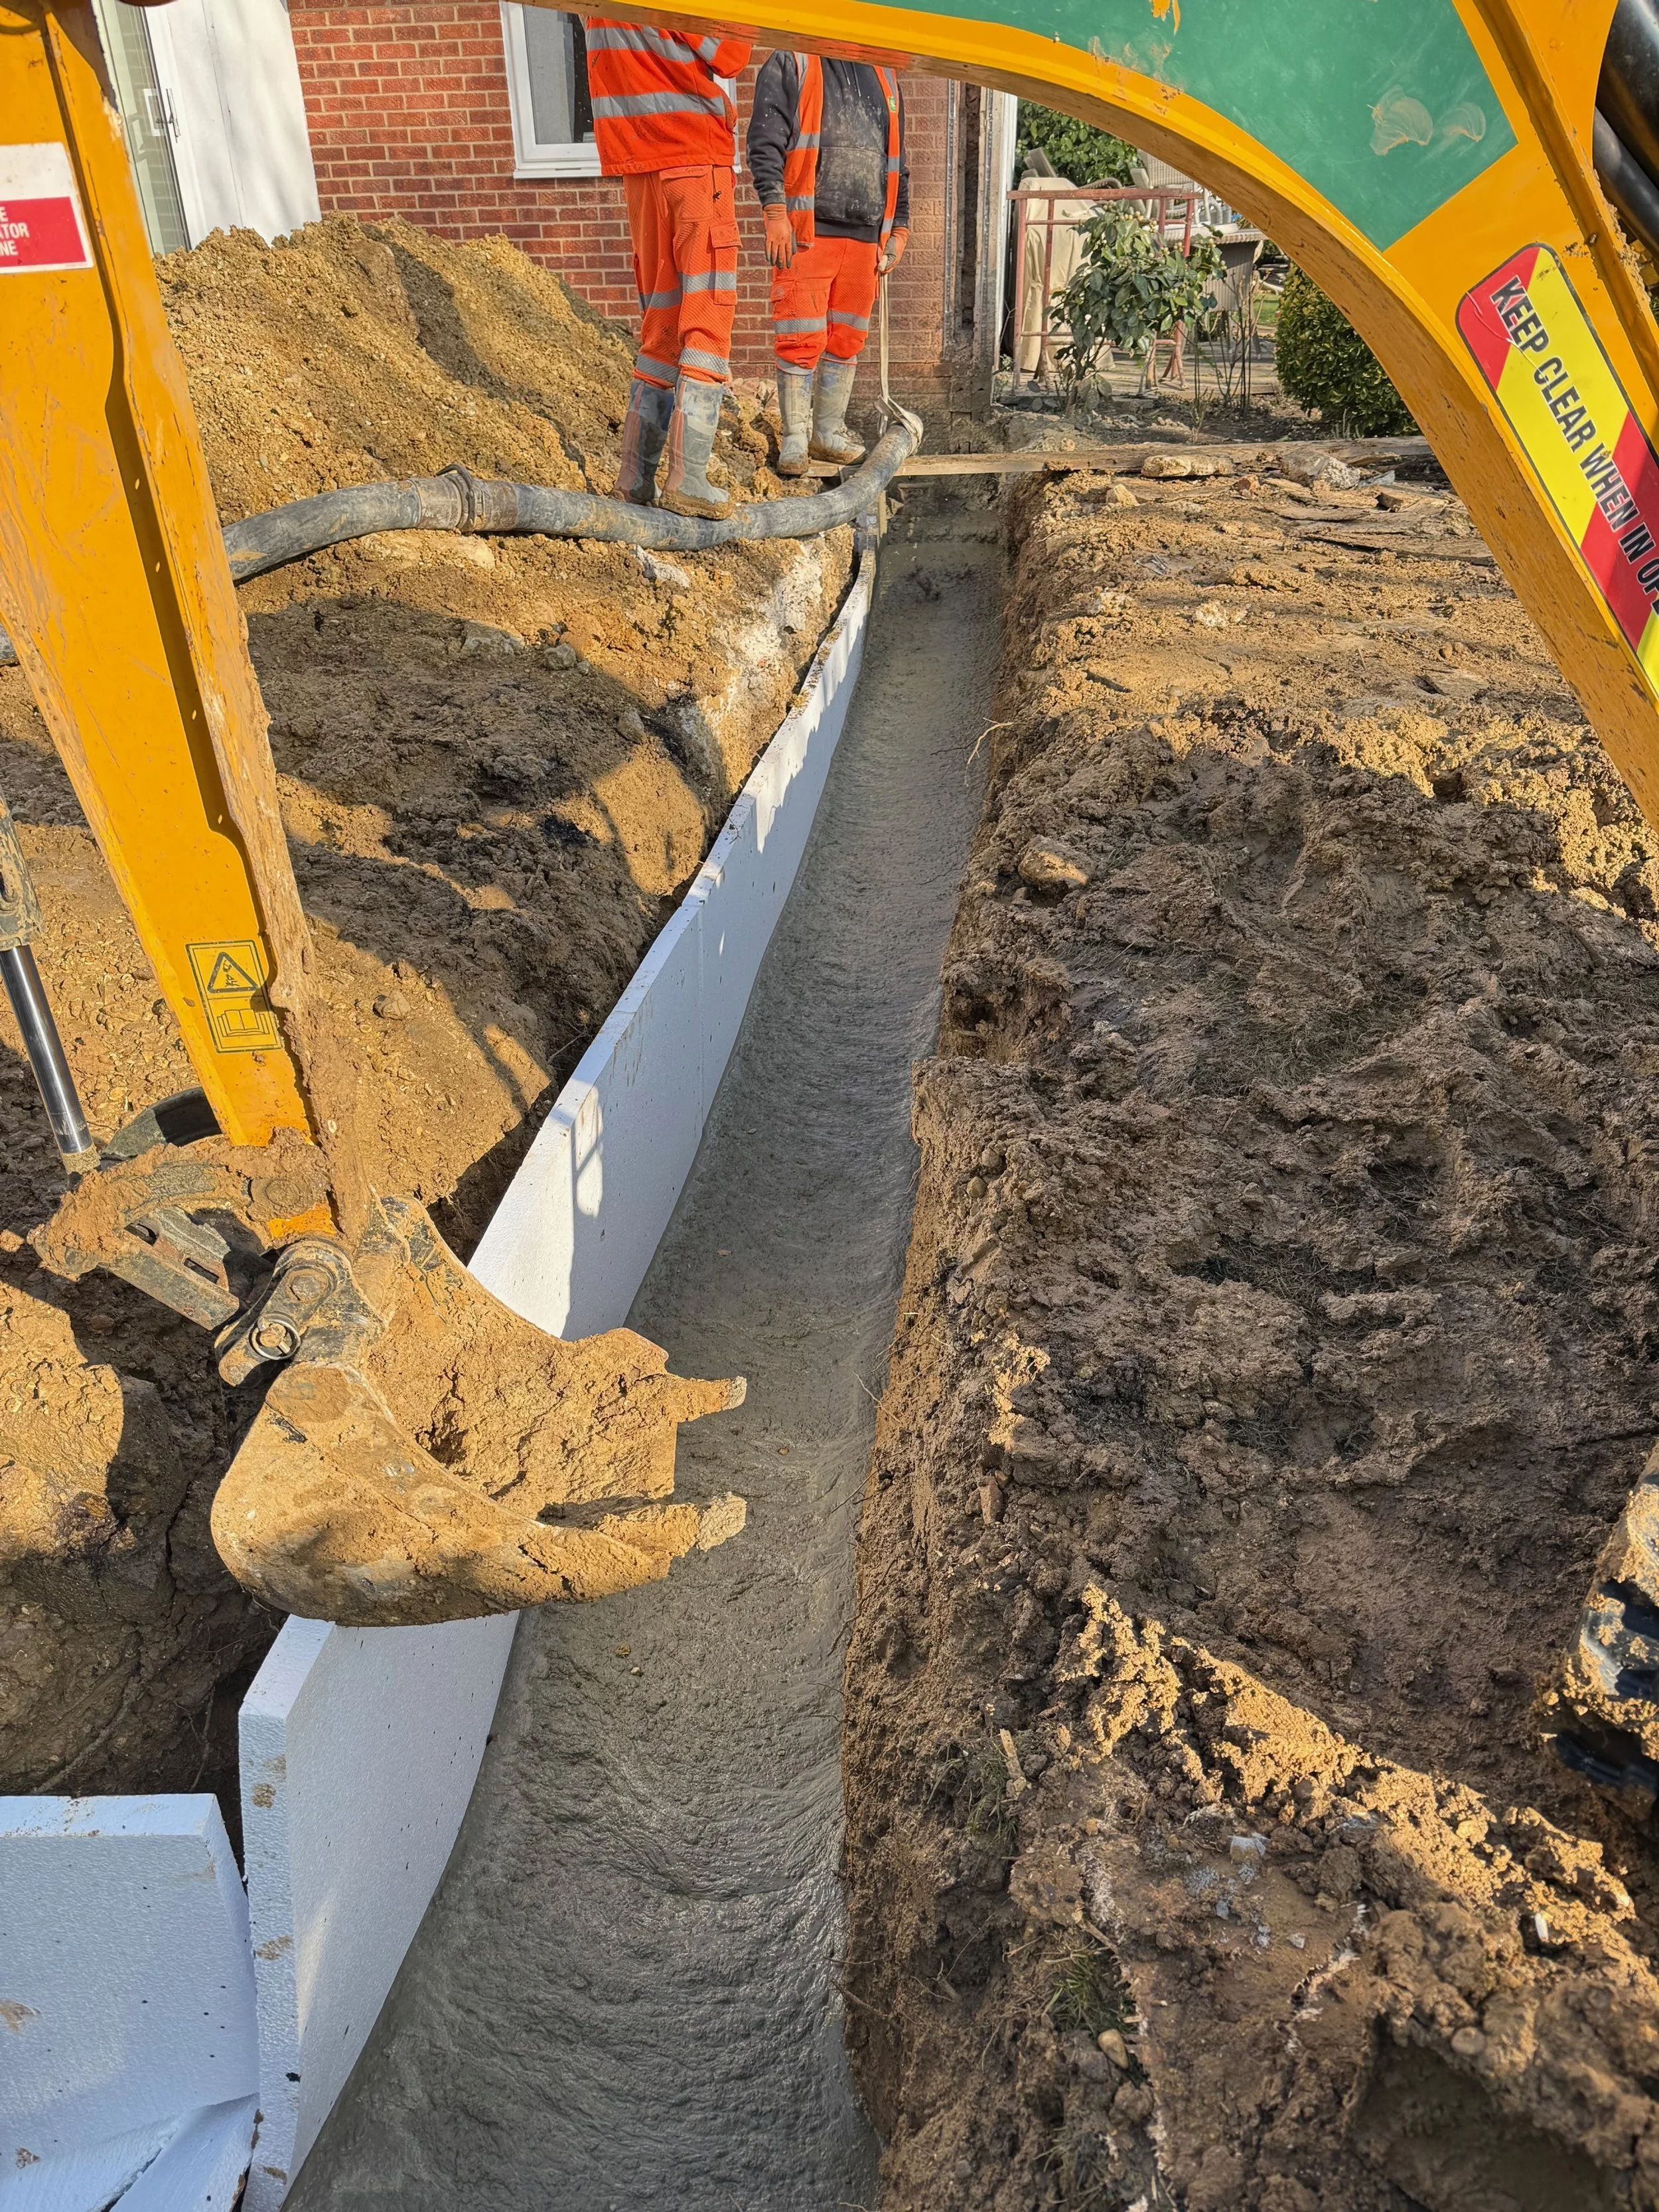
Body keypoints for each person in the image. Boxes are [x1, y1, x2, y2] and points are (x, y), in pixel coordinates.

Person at [585, 16, 753, 516]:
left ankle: (635, 479)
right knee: (708, 311)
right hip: (692, 155)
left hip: (638, 167)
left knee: (661, 324)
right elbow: (729, 53)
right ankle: (689, 478)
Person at [747, 50, 909, 475]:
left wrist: (900, 228)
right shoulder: (795, 62)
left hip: (866, 236)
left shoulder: (885, 74)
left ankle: (827, 433)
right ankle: (796, 439)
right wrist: (774, 210)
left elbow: (898, 164)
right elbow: (765, 142)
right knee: (800, 338)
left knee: (847, 339)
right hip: (807, 231)